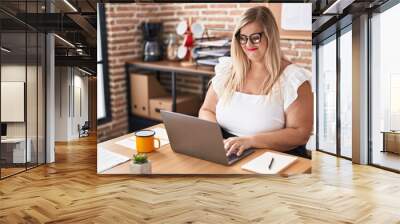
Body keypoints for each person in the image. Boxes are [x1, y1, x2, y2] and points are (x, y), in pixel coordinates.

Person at [198, 6, 313, 158]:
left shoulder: (293, 79)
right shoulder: (228, 70)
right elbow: (206, 110)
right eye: (243, 38)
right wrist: (216, 138)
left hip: (273, 157)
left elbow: (300, 133)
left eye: (255, 37)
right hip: (228, 151)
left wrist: (250, 141)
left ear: (270, 36)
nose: (248, 44)